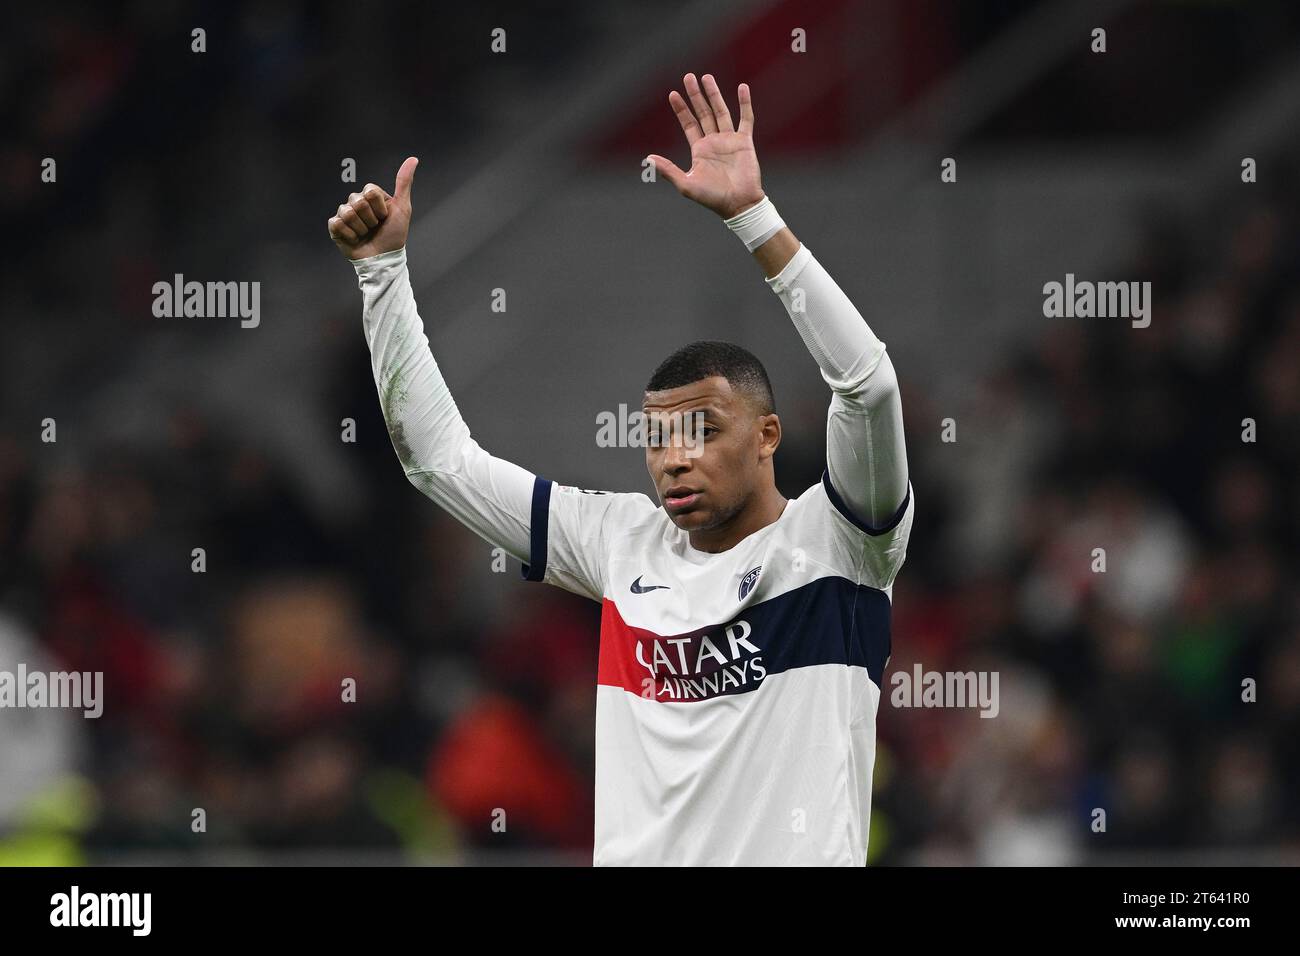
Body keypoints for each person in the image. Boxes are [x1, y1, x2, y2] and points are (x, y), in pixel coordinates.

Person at [327, 73, 913, 865]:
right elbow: (440, 462)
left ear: (769, 434)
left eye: (702, 430)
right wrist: (382, 275)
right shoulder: (618, 543)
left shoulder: (840, 543)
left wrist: (753, 217)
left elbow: (867, 385)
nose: (674, 455)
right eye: (657, 435)